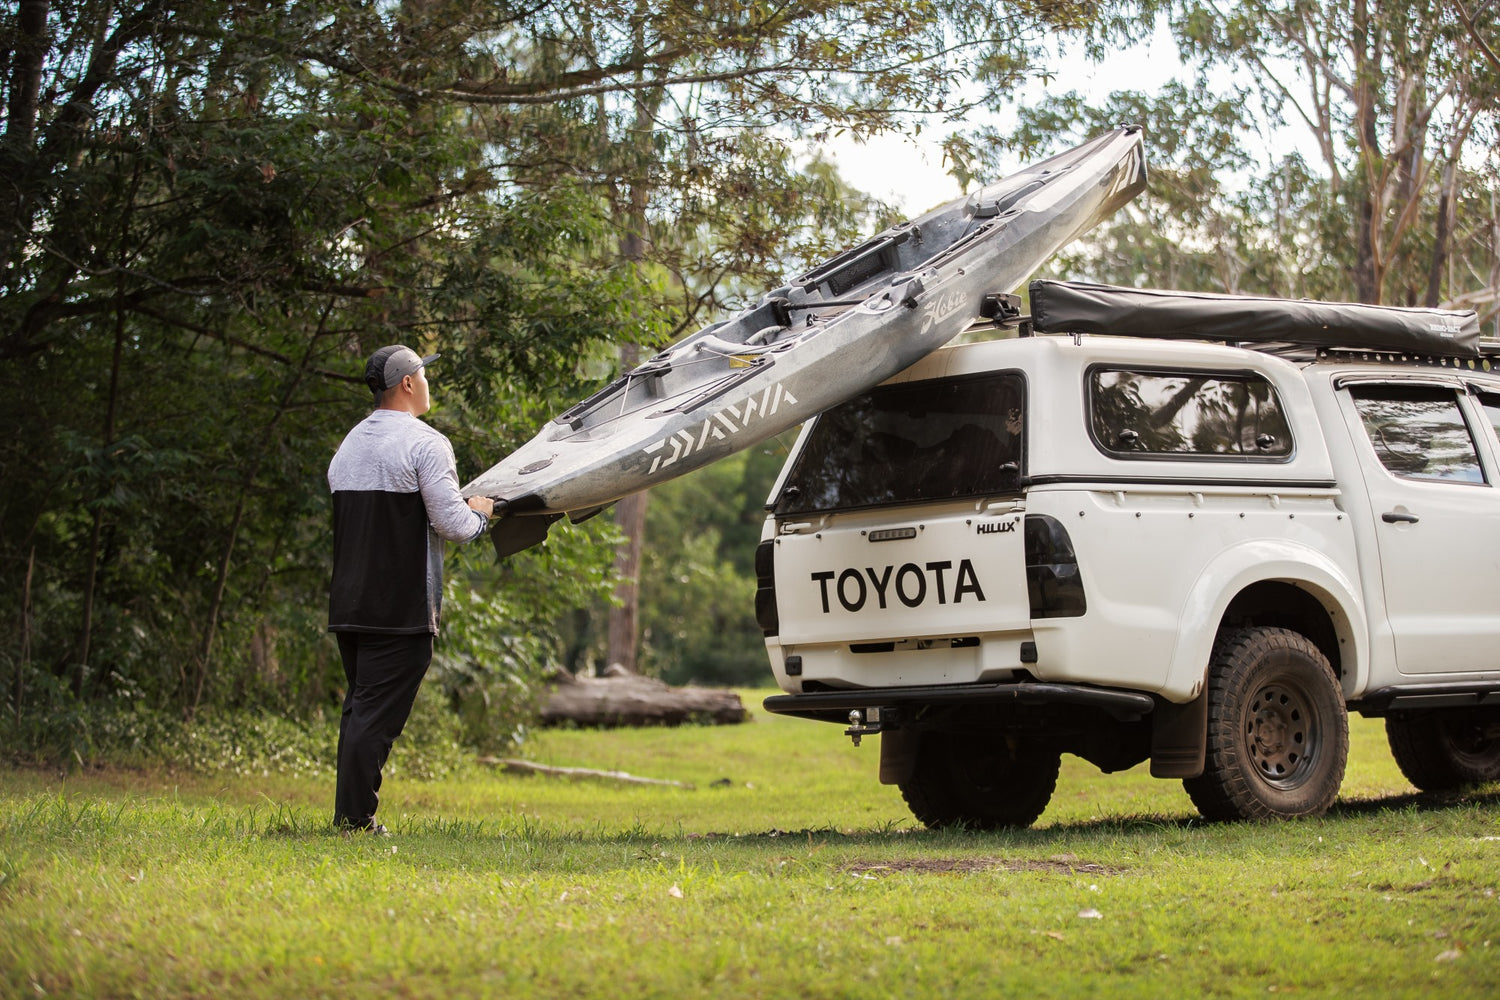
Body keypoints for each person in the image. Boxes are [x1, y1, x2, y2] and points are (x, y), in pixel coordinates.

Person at [326, 345, 495, 834]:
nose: (426, 383)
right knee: (374, 718)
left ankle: (350, 816)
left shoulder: (350, 443)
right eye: (422, 375)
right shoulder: (425, 443)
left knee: (360, 709)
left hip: (350, 602)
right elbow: (454, 524)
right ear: (406, 383)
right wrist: (481, 512)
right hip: (398, 607)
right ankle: (355, 821)